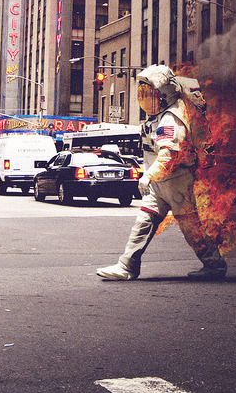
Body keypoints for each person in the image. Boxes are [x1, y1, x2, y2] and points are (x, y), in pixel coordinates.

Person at [97, 64, 227, 281]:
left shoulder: (171, 118)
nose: (145, 99)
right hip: (162, 183)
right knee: (144, 222)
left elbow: (168, 155)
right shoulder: (162, 116)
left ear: (165, 94)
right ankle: (127, 266)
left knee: (190, 228)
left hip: (176, 181)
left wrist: (148, 176)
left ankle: (214, 265)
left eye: (150, 94)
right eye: (143, 94)